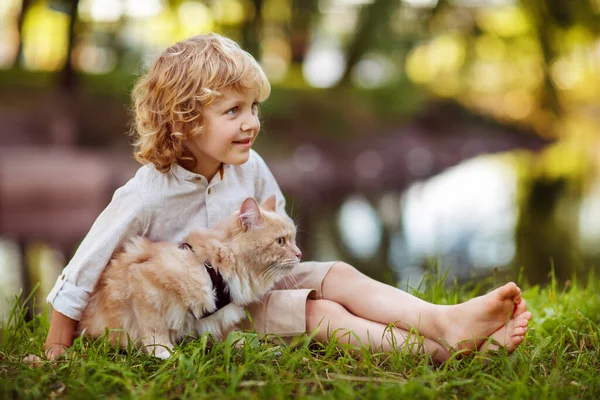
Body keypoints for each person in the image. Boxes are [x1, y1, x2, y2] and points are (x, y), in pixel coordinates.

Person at [40, 33, 531, 364]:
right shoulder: (147, 193)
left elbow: (275, 228)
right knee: (321, 315)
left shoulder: (248, 167)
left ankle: (442, 321)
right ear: (186, 121)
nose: (251, 122)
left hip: (256, 279)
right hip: (208, 312)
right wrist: (54, 351)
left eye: (253, 107)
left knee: (339, 276)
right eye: (233, 110)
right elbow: (80, 273)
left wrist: (298, 272)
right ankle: (443, 351)